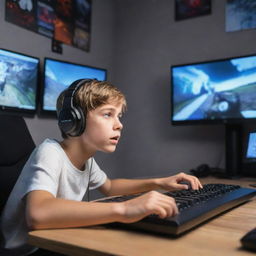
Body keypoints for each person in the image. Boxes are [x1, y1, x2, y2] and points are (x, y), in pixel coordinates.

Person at [0, 79, 202, 255]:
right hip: (26, 250)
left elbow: (110, 186)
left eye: (119, 116)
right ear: (74, 120)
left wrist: (159, 183)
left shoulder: (86, 160)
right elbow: (38, 214)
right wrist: (124, 208)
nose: (119, 124)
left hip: (53, 239)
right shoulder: (50, 152)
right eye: (108, 114)